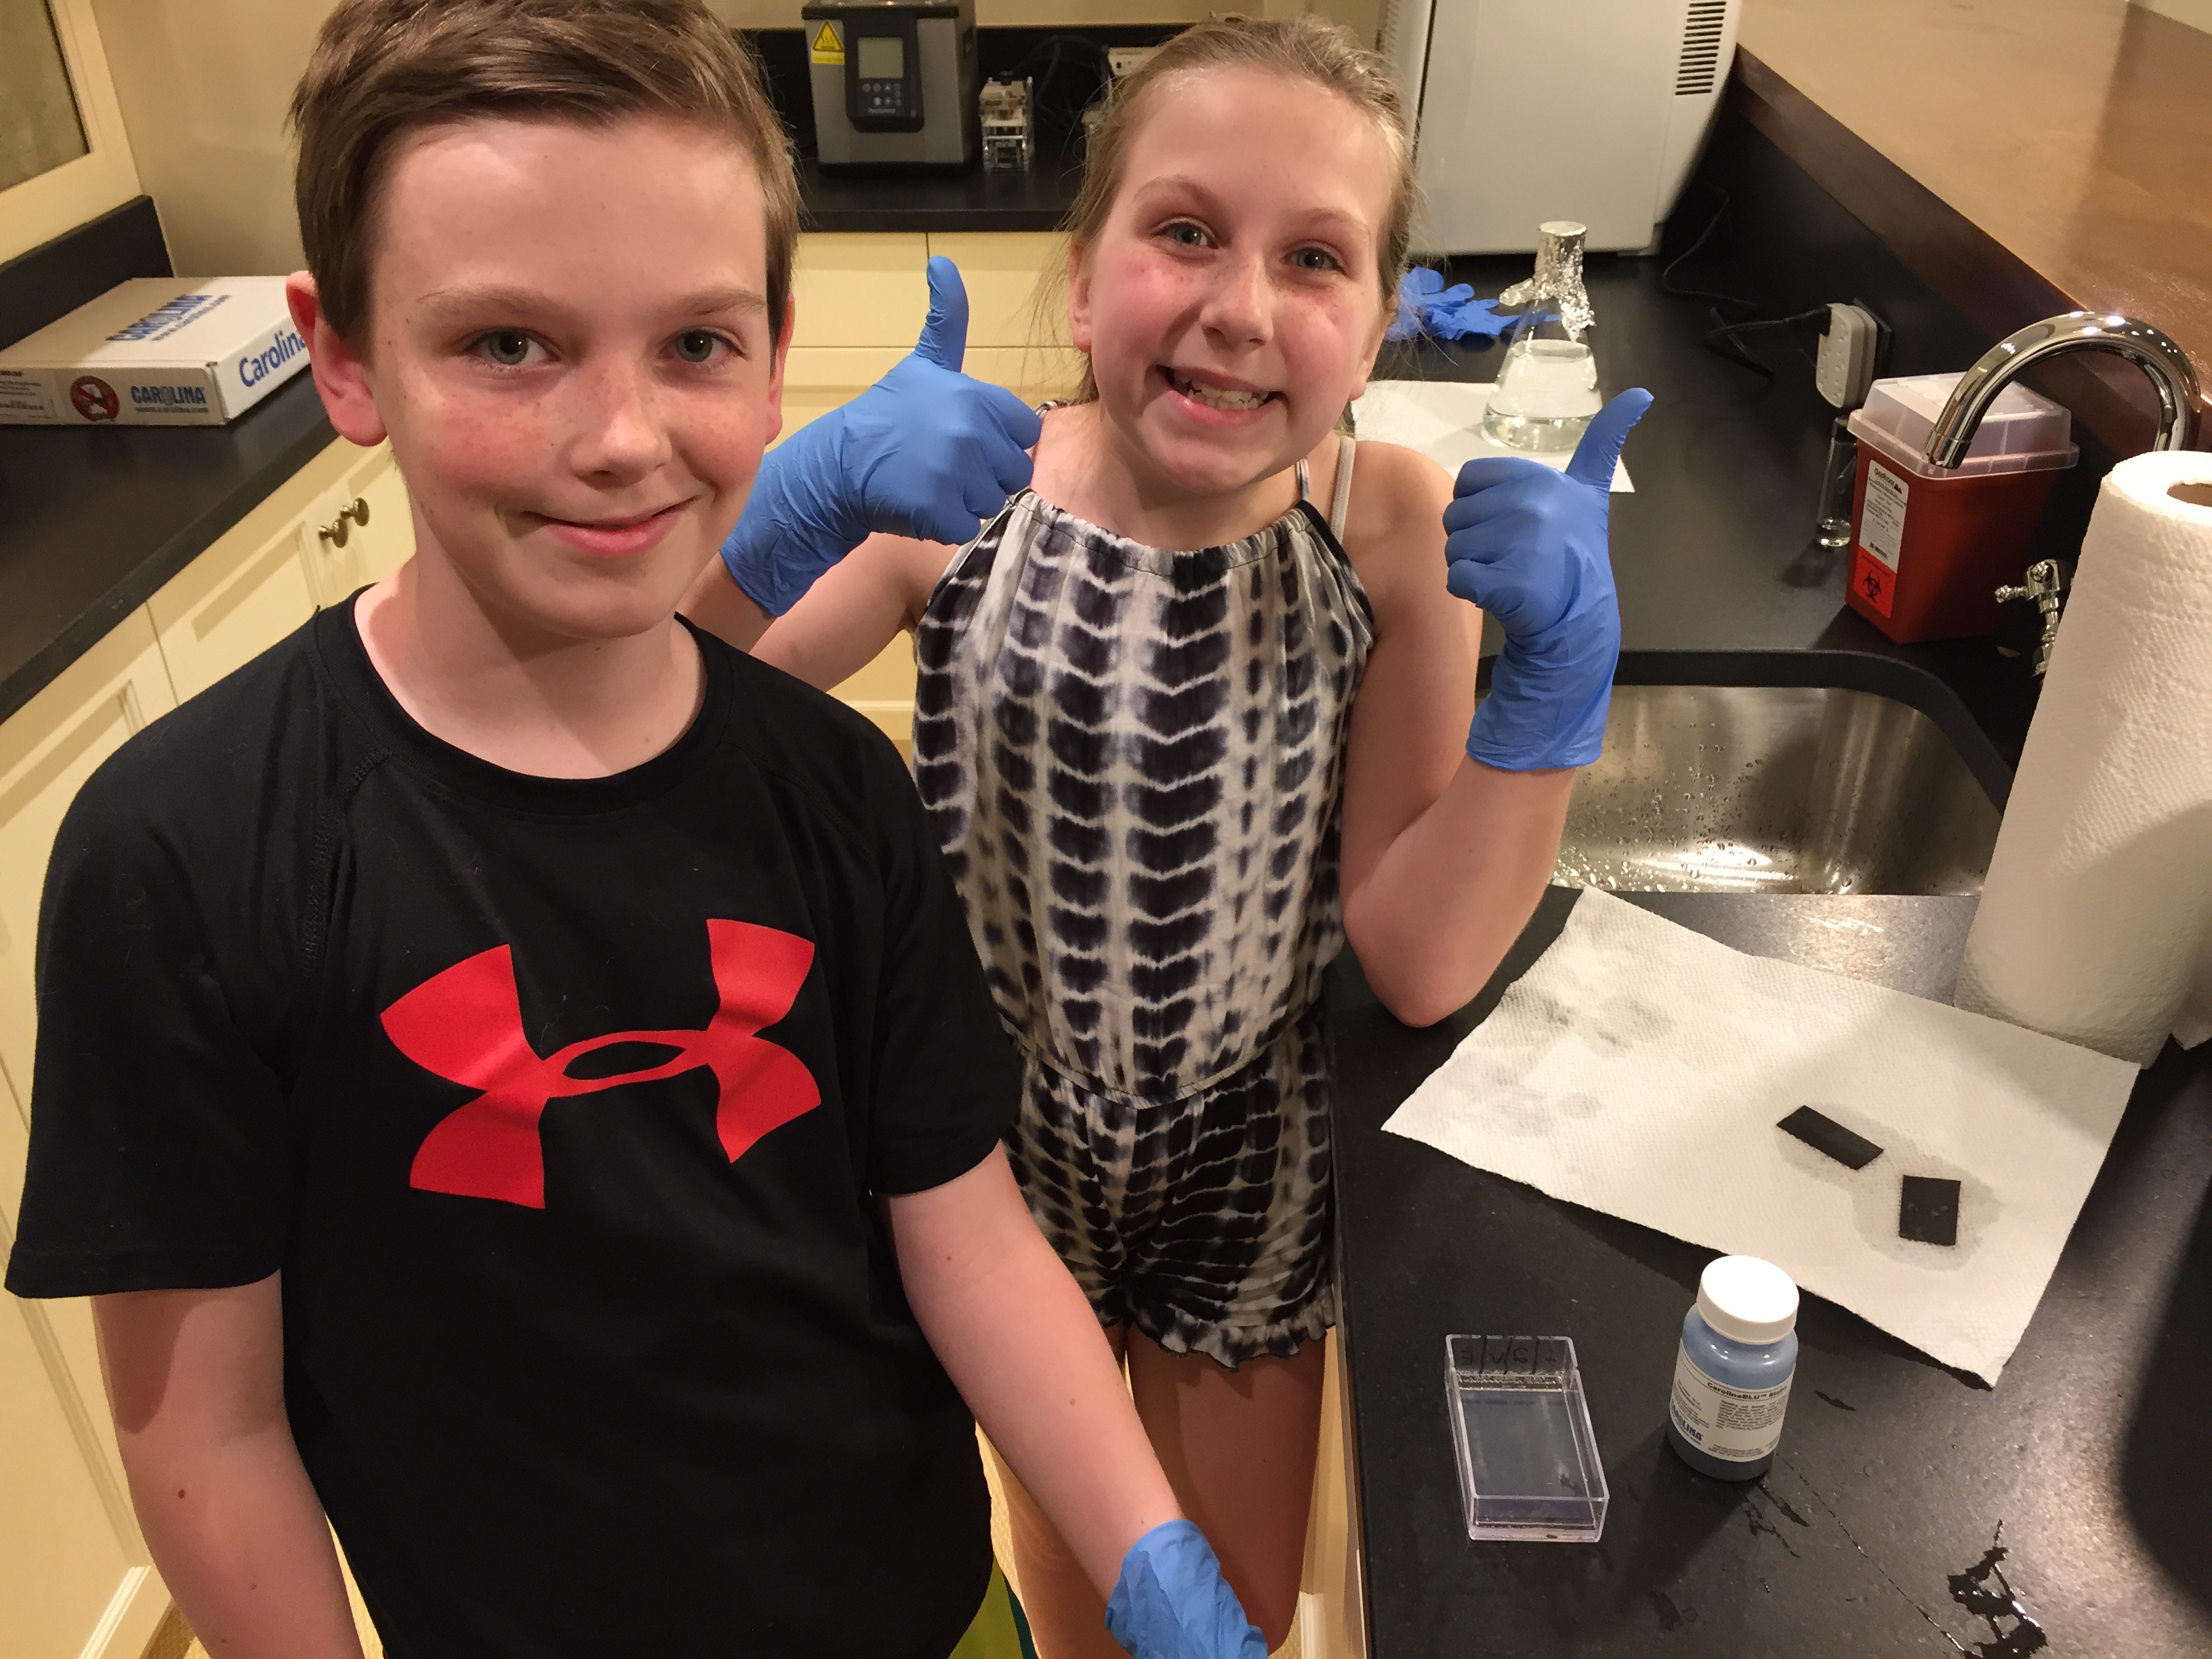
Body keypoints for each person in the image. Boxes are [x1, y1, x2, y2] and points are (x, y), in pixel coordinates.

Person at [0, 3, 1268, 1656]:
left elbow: (965, 1242)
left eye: (695, 345)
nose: (617, 442)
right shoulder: (183, 855)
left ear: (777, 343)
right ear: (345, 355)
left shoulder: (836, 793)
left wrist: (1150, 1563)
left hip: (929, 1620)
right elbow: (208, 1434)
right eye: (508, 345)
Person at [680, 16, 1650, 1656]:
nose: (1238, 306)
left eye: (1316, 260)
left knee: (1236, 1607)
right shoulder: (962, 497)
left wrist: (1548, 703)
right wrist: (788, 507)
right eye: (1185, 230)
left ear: (1378, 326)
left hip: (1251, 1175)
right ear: (1083, 271)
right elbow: (668, 738)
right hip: (988, 1168)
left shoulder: (1384, 526)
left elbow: (1415, 959)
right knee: (1072, 1593)